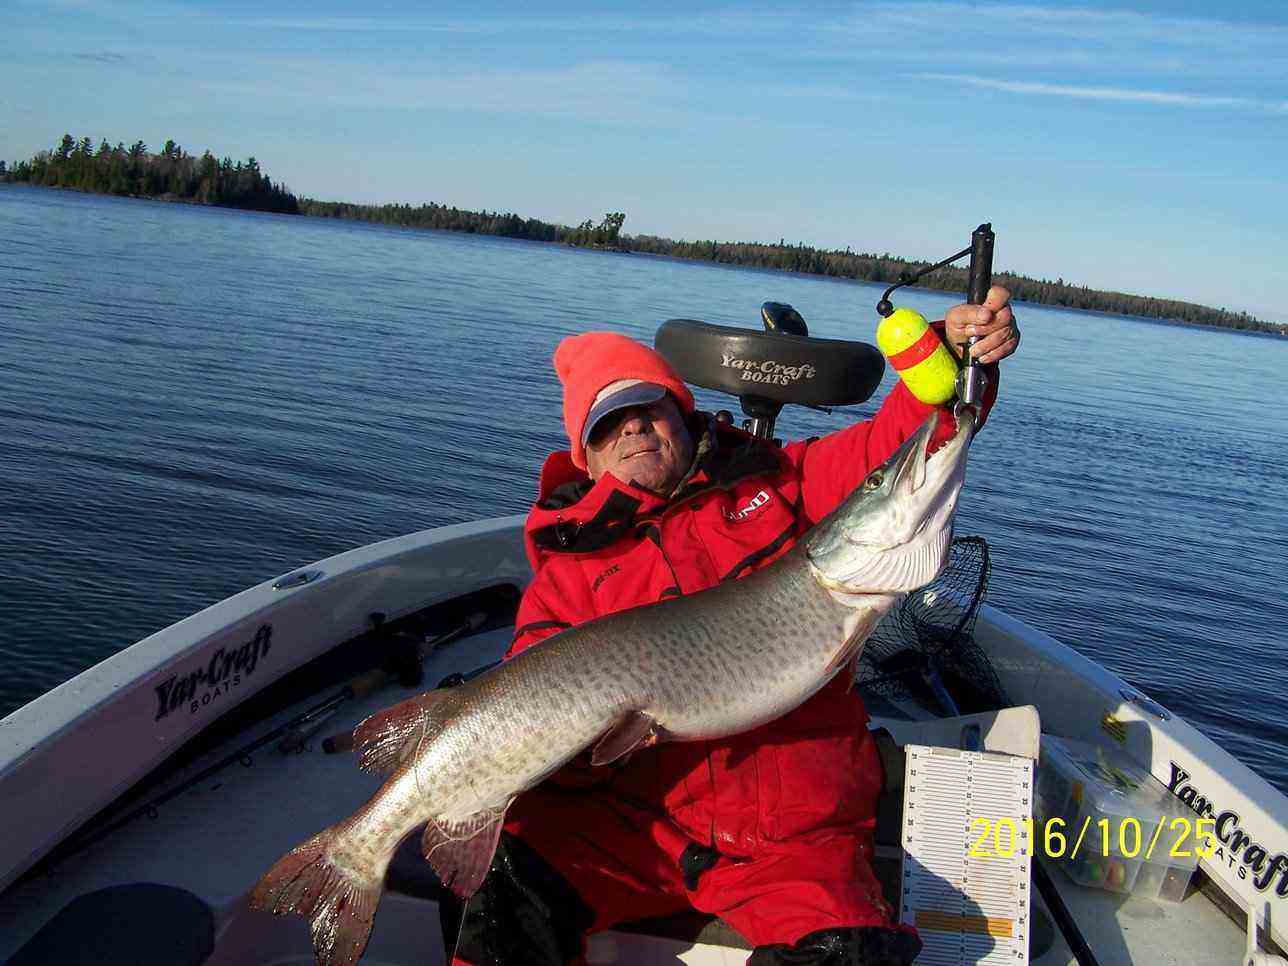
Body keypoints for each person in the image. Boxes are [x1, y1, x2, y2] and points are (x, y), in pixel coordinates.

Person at [448, 289, 1020, 966]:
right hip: (638, 826)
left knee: (854, 954)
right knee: (501, 887)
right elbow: (533, 691)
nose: (632, 429)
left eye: (647, 408)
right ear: (587, 458)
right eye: (607, 424)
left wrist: (953, 358)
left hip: (795, 838)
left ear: (682, 415)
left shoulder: (784, 483)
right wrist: (571, 747)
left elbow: (900, 449)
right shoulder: (568, 575)